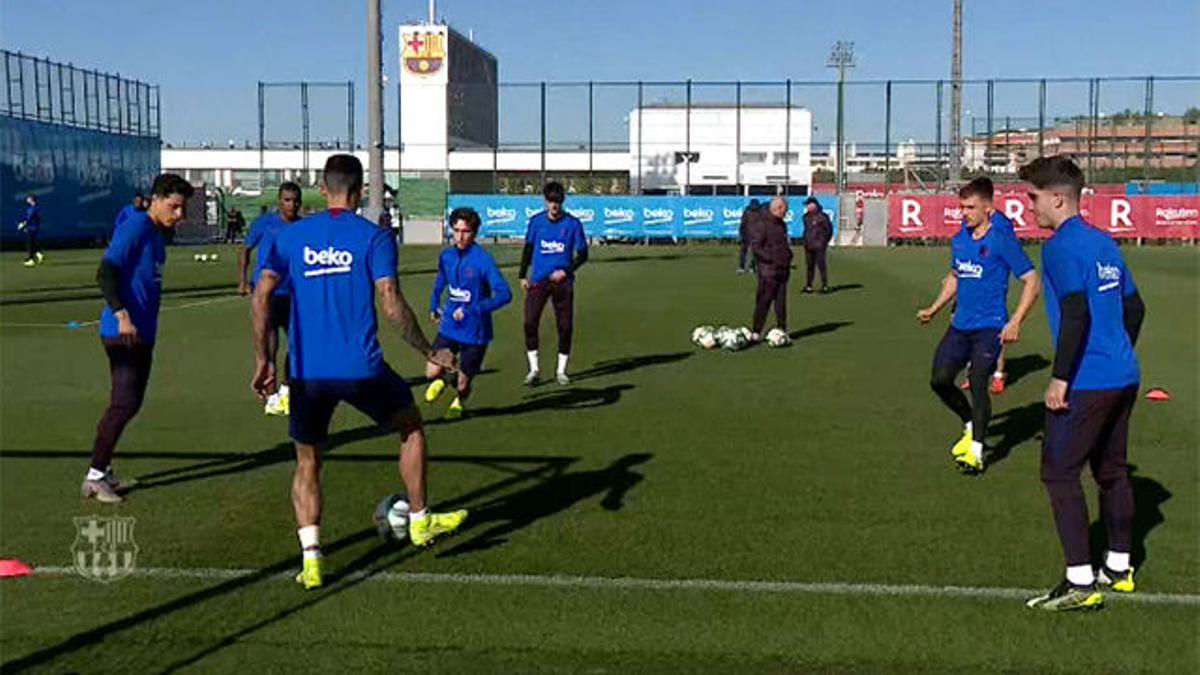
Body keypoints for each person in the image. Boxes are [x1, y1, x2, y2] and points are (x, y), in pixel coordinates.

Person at [251, 154, 466, 591]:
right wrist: (430, 350)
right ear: (361, 189)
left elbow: (261, 295)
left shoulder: (292, 237)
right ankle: (421, 519)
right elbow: (390, 301)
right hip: (361, 367)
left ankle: (312, 560)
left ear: (323, 187)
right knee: (410, 426)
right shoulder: (374, 237)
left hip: (306, 372)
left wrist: (264, 359)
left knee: (308, 460)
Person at [1020, 156, 1145, 612]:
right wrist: (1117, 352)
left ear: (1057, 198)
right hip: (1123, 375)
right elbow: (1135, 308)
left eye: (1032, 197)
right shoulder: (1104, 242)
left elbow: (1075, 312)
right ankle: (1119, 567)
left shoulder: (1059, 247)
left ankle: (1079, 582)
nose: (1028, 206)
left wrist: (1061, 377)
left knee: (1058, 472)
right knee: (1112, 472)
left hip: (1088, 381)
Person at [916, 176, 1041, 474]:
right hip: (960, 325)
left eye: (971, 207)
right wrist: (934, 308)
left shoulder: (1001, 240)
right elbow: (956, 276)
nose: (964, 213)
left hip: (990, 326)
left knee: (980, 381)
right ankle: (971, 423)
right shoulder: (960, 238)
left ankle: (977, 451)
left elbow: (1032, 280)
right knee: (939, 380)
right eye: (962, 207)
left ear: (989, 208)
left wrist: (1016, 321)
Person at [82, 174, 194, 503]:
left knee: (129, 403)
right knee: (124, 402)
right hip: (123, 332)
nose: (180, 215)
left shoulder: (158, 236)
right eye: (174, 207)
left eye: (183, 208)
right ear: (155, 199)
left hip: (143, 332)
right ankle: (95, 476)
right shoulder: (136, 227)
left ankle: (103, 470)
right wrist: (122, 315)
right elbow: (105, 272)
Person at [424, 207, 512, 419]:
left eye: (466, 231)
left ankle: (458, 401)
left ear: (475, 233)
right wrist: (434, 304)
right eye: (456, 230)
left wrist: (474, 309)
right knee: (431, 371)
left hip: (475, 332)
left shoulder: (483, 260)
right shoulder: (446, 256)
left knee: (463, 385)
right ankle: (444, 378)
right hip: (450, 326)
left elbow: (505, 294)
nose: (460, 236)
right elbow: (440, 281)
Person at [240, 182, 303, 416]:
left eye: (295, 200)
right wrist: (243, 280)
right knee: (269, 343)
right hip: (266, 293)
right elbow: (246, 249)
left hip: (293, 293)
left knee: (297, 342)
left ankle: (287, 390)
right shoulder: (265, 223)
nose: (292, 205)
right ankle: (271, 389)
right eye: (287, 200)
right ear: (279, 201)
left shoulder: (302, 226)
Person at [519, 181, 588, 386]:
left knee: (565, 327)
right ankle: (534, 370)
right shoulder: (536, 222)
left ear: (562, 202)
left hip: (563, 283)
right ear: (545, 201)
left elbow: (583, 255)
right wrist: (523, 275)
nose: (554, 206)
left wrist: (566, 271)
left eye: (557, 201)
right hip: (539, 281)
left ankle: (561, 371)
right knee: (530, 322)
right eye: (551, 201)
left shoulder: (573, 224)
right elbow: (528, 249)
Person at [748, 196, 793, 341]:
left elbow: (784, 244)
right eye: (784, 210)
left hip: (783, 270)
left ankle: (782, 330)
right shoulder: (762, 224)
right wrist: (772, 259)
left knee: (781, 304)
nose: (785, 213)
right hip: (768, 271)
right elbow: (756, 247)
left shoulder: (781, 224)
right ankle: (756, 331)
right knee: (763, 302)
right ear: (778, 208)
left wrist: (788, 256)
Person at [801, 196, 833, 293]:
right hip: (808, 245)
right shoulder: (806, 217)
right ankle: (809, 286)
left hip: (819, 245)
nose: (807, 207)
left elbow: (829, 230)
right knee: (809, 266)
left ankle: (824, 286)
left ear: (814, 205)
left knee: (821, 265)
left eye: (808, 205)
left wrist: (824, 241)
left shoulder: (823, 217)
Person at [17, 194, 43, 267]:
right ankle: (38, 254)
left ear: (31, 199)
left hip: (32, 228)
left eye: (28, 198)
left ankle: (31, 260)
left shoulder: (33, 209)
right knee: (32, 243)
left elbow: (29, 219)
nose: (27, 200)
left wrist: (23, 225)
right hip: (33, 228)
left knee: (30, 244)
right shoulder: (36, 207)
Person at [737, 199, 761, 274]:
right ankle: (752, 267)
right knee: (754, 252)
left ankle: (742, 267)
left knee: (743, 251)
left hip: (746, 234)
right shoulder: (759, 213)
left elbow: (742, 224)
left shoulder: (746, 212)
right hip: (755, 235)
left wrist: (741, 233)